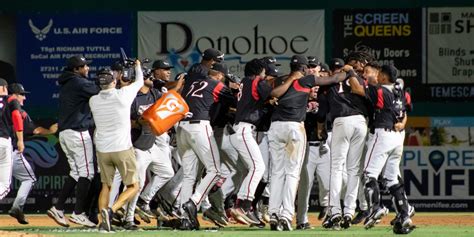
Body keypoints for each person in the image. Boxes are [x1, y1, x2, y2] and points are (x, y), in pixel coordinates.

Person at [268, 55, 347, 231]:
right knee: (292, 174)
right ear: (303, 69)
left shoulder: (279, 80)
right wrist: (347, 73)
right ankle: (286, 216)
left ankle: (273, 214)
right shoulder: (307, 80)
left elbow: (272, 95)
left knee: (277, 173)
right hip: (294, 127)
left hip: (275, 127)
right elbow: (335, 78)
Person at [350, 64, 415, 233]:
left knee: (369, 174)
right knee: (391, 179)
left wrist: (350, 71)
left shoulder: (380, 90)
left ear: (385, 77)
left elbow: (357, 89)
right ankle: (404, 214)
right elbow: (407, 105)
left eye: (379, 75)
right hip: (398, 138)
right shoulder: (401, 91)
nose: (377, 77)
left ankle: (376, 207)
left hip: (383, 134)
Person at [177, 61, 234, 230]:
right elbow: (232, 101)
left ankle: (185, 219)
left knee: (189, 175)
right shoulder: (216, 84)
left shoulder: (192, 83)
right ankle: (193, 202)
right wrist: (234, 88)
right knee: (215, 170)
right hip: (199, 127)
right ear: (220, 75)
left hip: (182, 127)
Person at [89, 62, 143, 232]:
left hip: (103, 149)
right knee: (134, 186)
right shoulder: (123, 94)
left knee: (107, 186)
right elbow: (140, 81)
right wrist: (137, 66)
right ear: (113, 81)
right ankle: (111, 211)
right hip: (122, 148)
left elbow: (110, 91)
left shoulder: (93, 100)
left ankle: (101, 222)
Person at [47, 55, 99, 228]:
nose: (87, 69)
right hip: (77, 132)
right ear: (76, 69)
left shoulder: (68, 82)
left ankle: (58, 207)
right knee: (87, 173)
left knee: (76, 172)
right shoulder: (78, 83)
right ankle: (78, 213)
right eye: (84, 67)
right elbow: (100, 90)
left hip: (66, 133)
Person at [228, 59, 272, 225]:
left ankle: (237, 205)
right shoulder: (255, 81)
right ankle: (242, 205)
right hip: (244, 129)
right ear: (259, 70)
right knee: (258, 167)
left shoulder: (245, 82)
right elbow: (272, 92)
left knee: (246, 170)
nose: (265, 74)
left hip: (240, 129)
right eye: (264, 71)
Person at [7, 83, 58, 224]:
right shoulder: (19, 112)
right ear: (14, 95)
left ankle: (17, 208)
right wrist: (51, 131)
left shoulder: (2, 109)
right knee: (29, 179)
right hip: (10, 151)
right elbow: (36, 130)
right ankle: (17, 207)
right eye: (22, 94)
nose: (24, 98)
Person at [0, 78, 21, 201]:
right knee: (4, 185)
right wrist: (20, 140)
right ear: (3, 88)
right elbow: (17, 117)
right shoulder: (11, 100)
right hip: (3, 141)